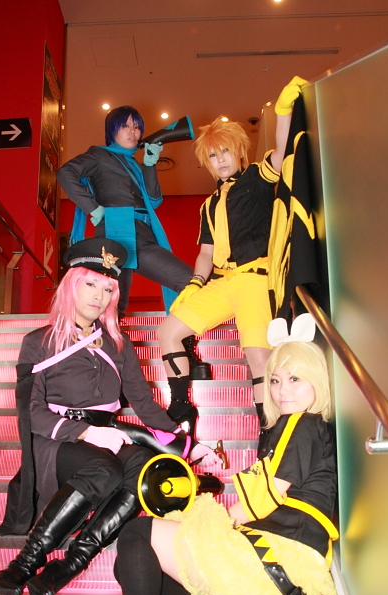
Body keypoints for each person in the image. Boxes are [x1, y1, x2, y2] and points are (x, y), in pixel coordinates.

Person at [74, 313, 338, 595]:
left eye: (295, 379)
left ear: (317, 381)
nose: (283, 391)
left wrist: (219, 521)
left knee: (136, 533)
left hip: (275, 560)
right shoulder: (306, 427)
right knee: (135, 561)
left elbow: (267, 497)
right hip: (286, 566)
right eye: (275, 380)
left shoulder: (301, 424)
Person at [0, 238, 218, 595]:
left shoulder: (118, 345)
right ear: (71, 285)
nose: (99, 295)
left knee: (144, 468)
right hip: (57, 441)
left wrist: (189, 445)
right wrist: (87, 432)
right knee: (105, 468)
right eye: (90, 284)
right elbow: (32, 413)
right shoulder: (38, 342)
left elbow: (144, 404)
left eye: (108, 288)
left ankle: (69, 565)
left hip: (104, 439)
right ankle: (23, 564)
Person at [157, 77, 307, 432]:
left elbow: (281, 152)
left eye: (225, 151)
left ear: (238, 151)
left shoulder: (256, 179)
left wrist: (283, 112)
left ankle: (269, 430)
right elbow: (206, 253)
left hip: (255, 280)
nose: (220, 159)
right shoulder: (208, 205)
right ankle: (181, 406)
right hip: (223, 282)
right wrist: (195, 283)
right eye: (212, 155)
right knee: (168, 331)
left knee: (258, 357)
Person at [57, 104, 211, 379]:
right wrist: (94, 208)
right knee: (113, 303)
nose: (133, 131)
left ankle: (185, 349)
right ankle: (107, 367)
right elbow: (65, 173)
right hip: (113, 233)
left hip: (141, 235)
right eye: (126, 126)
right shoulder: (99, 155)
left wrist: (150, 166)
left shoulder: (135, 164)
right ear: (112, 131)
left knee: (190, 282)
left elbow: (154, 200)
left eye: (137, 126)